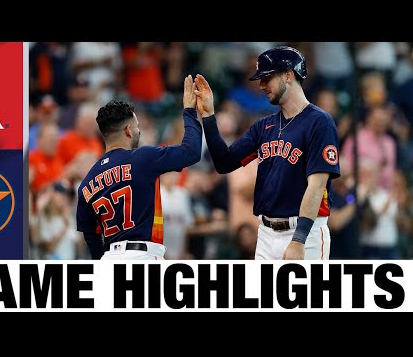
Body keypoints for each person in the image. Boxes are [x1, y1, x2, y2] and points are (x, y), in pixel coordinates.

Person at [196, 46, 341, 260]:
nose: (262, 85)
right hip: (264, 233)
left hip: (303, 232)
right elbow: (224, 162)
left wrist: (298, 241)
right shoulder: (264, 125)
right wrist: (208, 115)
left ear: (289, 75)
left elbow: (317, 186)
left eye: (267, 78)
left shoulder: (319, 122)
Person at [76, 75, 202, 260]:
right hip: (142, 255)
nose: (138, 130)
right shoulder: (143, 157)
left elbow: (91, 236)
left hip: (108, 259)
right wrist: (190, 111)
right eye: (136, 126)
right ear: (128, 130)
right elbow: (192, 152)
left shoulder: (86, 183)